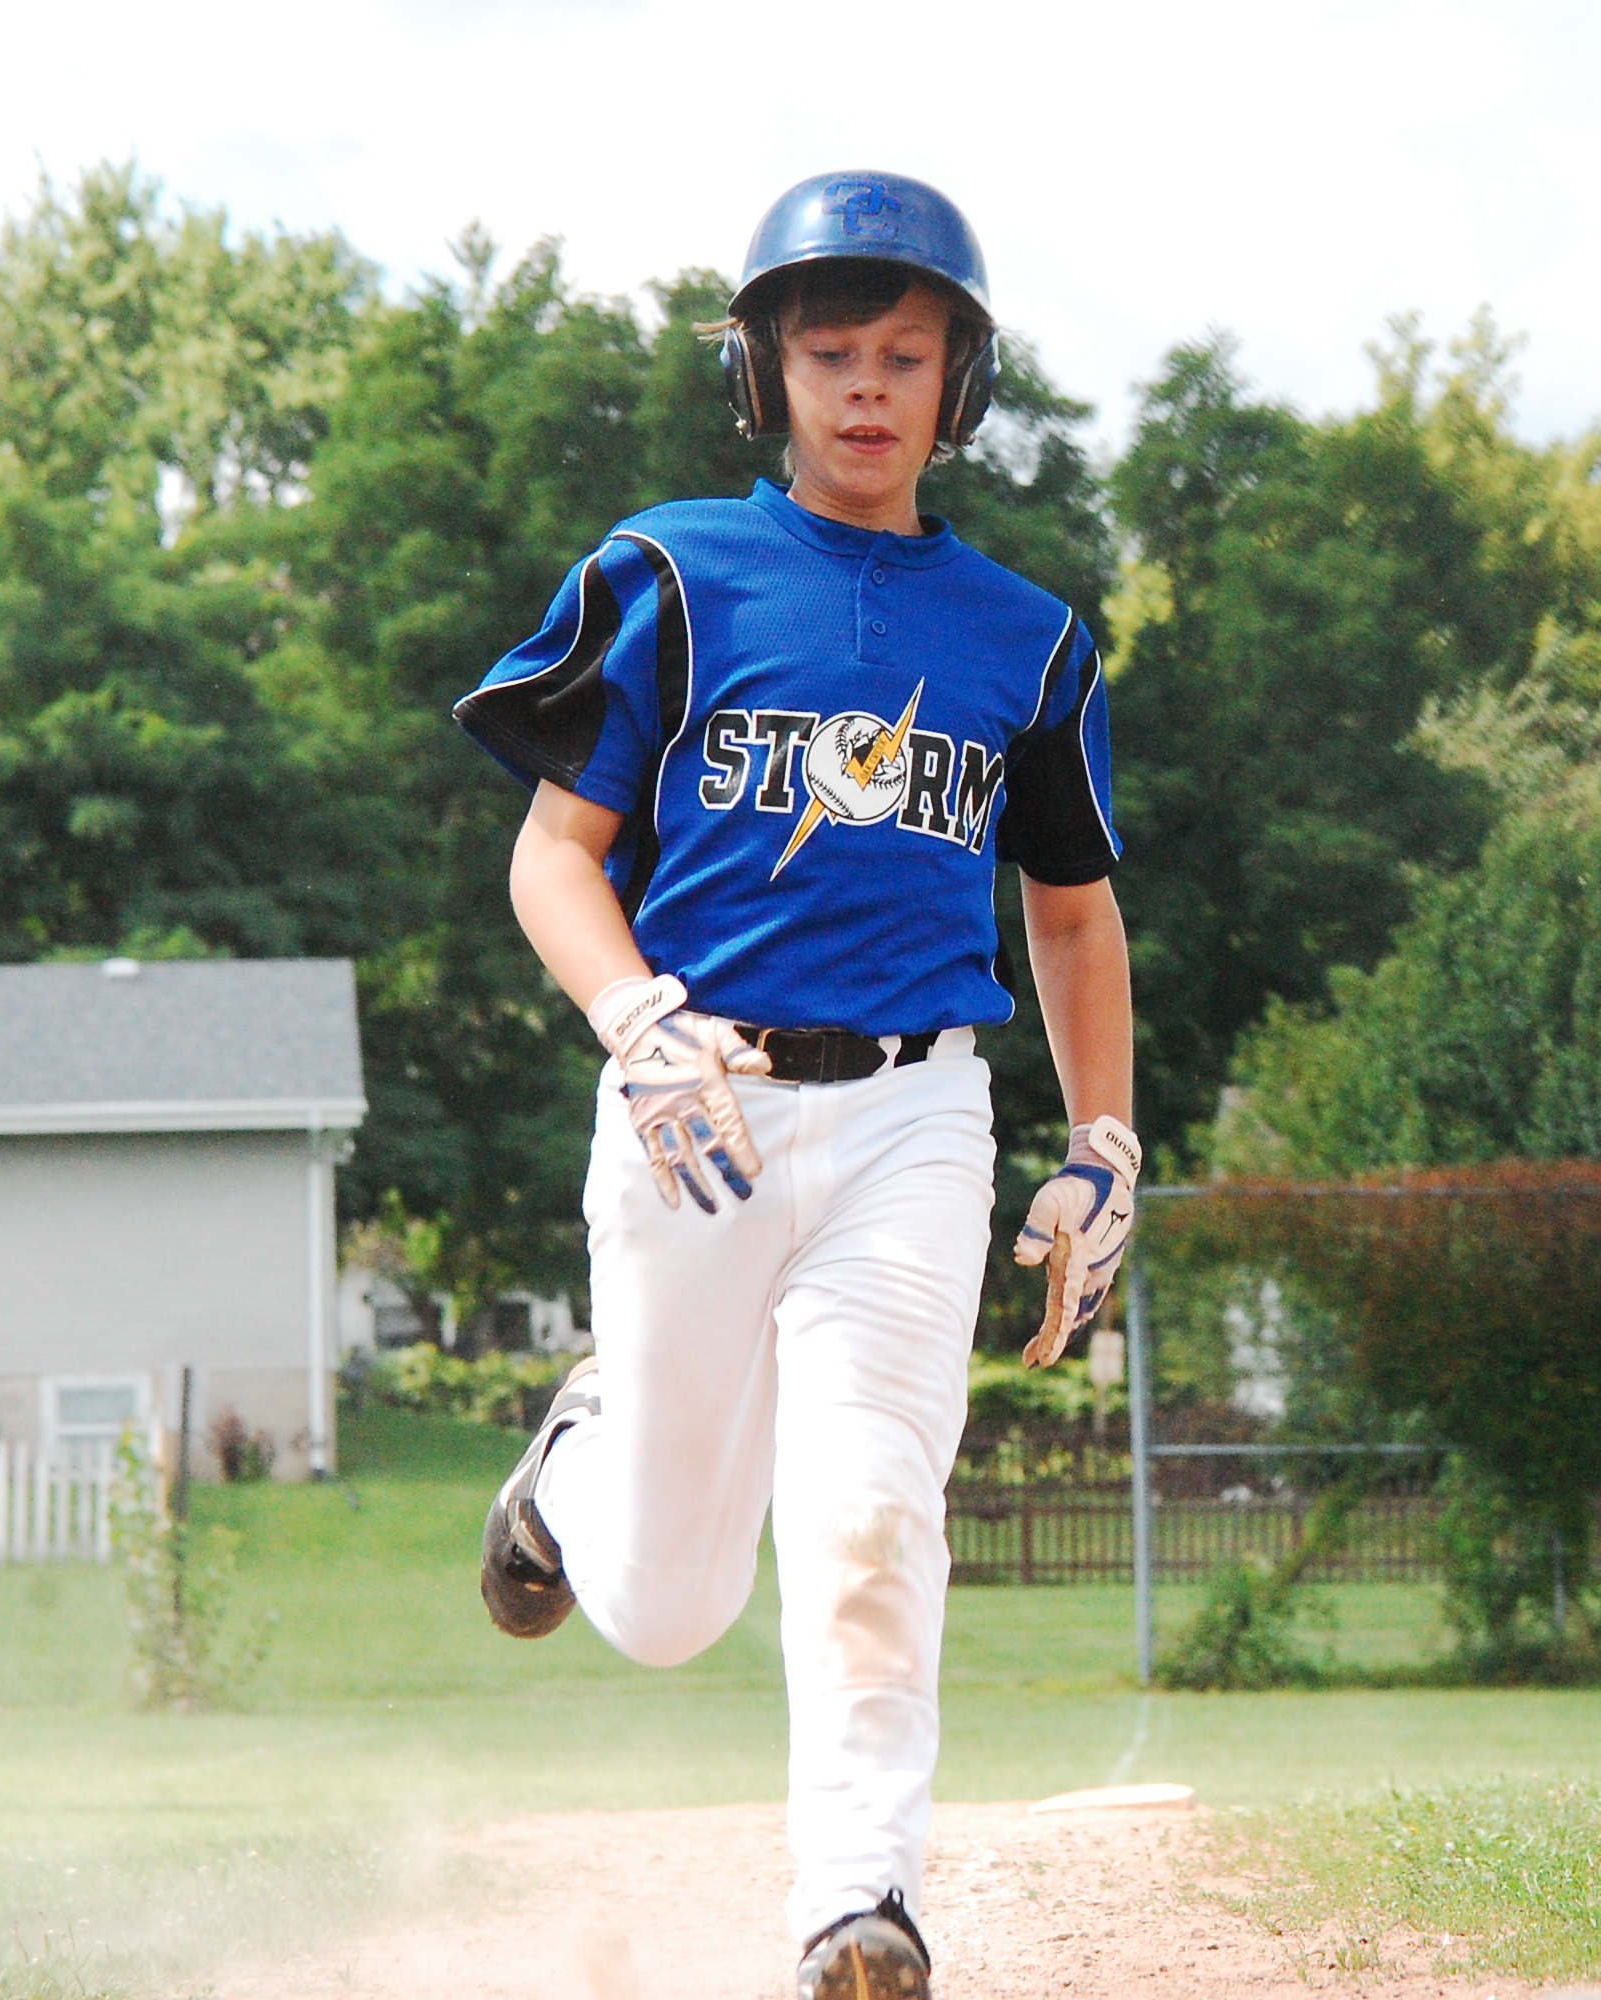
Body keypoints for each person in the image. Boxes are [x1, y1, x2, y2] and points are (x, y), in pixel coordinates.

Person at [452, 169, 1135, 2000]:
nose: (865, 387)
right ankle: (577, 1465)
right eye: (827, 353)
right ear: (762, 373)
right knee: (671, 1609)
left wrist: (1105, 1143)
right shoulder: (673, 573)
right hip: (701, 1096)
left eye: (904, 355)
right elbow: (552, 856)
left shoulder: (1023, 635)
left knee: (867, 1506)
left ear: (959, 383)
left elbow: (1072, 916)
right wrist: (634, 1020)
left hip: (916, 1115)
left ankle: (858, 1902)